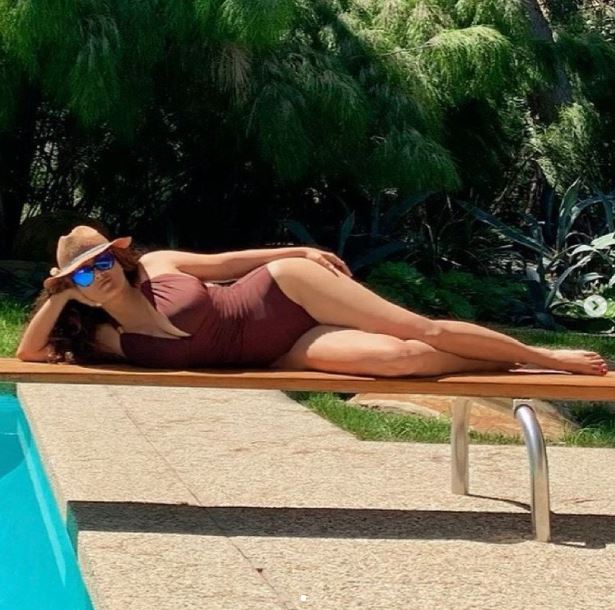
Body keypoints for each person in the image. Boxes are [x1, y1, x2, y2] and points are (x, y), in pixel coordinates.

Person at [17, 225, 609, 377]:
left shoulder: (159, 266)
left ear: (118, 259)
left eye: (103, 262)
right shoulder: (105, 337)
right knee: (400, 360)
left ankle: (544, 358)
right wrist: (57, 296)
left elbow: (231, 263)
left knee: (419, 331)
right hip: (283, 351)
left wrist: (298, 249)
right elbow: (29, 355)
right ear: (74, 287)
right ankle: (509, 361)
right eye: (84, 274)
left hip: (284, 289)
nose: (100, 275)